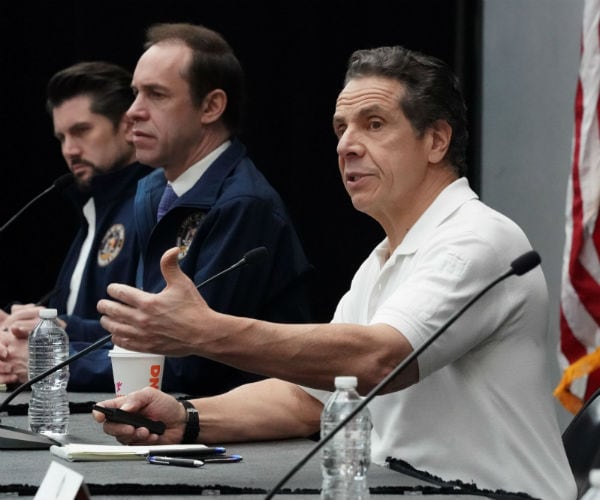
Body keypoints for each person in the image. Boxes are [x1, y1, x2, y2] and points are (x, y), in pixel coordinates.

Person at [93, 46, 576, 500]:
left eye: (373, 124)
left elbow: (381, 363)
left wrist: (206, 333)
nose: (347, 145)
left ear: (436, 140)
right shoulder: (383, 259)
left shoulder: (478, 239)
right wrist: (188, 418)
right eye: (341, 128)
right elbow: (312, 398)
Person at [108, 22, 312, 396]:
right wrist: (51, 336)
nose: (133, 112)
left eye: (155, 95)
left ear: (212, 106)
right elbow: (142, 329)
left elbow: (188, 362)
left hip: (244, 433)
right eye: (135, 93)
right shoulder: (153, 190)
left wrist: (62, 360)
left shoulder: (243, 205)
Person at [0, 61, 152, 391]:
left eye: (82, 131)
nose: (69, 150)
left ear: (127, 126)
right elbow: (81, 321)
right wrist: (20, 327)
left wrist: (45, 354)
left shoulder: (151, 207)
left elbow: (154, 341)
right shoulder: (92, 211)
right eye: (62, 137)